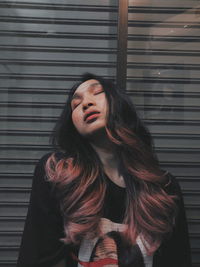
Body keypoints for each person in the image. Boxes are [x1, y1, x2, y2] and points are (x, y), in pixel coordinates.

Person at [17, 73, 192, 267]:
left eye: (97, 92)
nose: (86, 103)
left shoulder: (164, 187)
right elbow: (36, 256)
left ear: (118, 103)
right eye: (76, 104)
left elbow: (178, 259)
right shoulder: (57, 172)